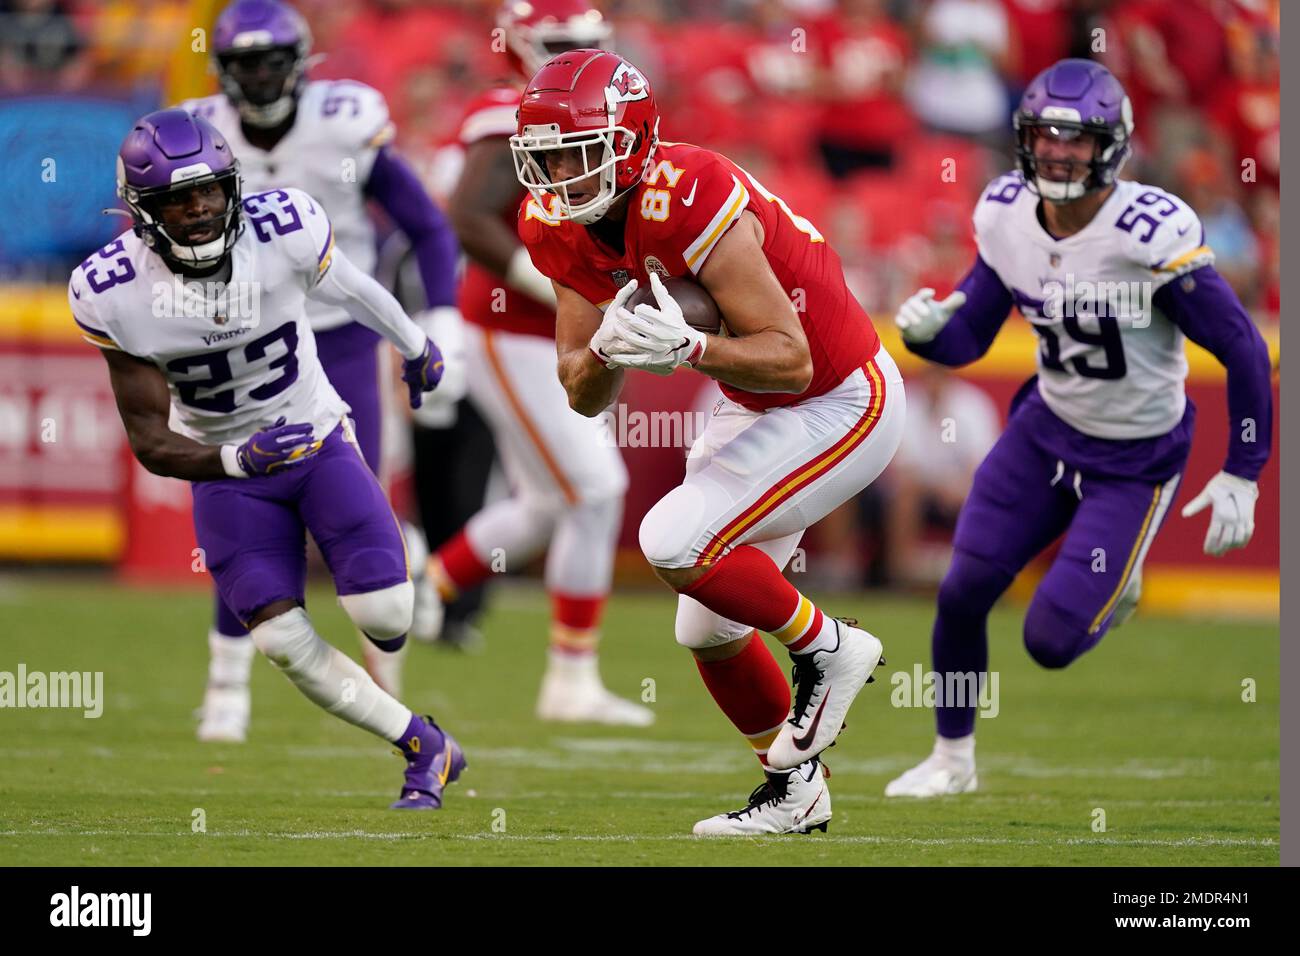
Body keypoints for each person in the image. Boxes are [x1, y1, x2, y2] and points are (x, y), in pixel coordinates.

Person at [514, 50, 905, 834]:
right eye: (546, 154)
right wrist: (610, 348)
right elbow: (582, 394)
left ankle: (830, 646)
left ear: (632, 141)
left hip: (839, 396)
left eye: (578, 150)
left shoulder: (687, 192)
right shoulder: (553, 226)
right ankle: (798, 794)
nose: (560, 173)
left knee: (672, 539)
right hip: (756, 403)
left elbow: (789, 354)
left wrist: (688, 350)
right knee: (706, 624)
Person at [885, 59, 1272, 798]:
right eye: (1045, 135)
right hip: (1044, 431)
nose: (1059, 151)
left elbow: (1243, 347)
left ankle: (1118, 586)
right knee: (963, 590)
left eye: (1077, 138)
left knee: (1050, 643)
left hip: (1136, 457)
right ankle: (951, 760)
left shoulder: (1146, 232)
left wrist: (1243, 470)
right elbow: (969, 337)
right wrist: (931, 334)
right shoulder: (1004, 214)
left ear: (1111, 147)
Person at [73, 108, 464, 809]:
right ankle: (422, 745)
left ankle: (404, 555)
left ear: (234, 186)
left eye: (209, 193)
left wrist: (416, 346)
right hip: (231, 474)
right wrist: (236, 463)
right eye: (176, 200)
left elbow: (352, 289)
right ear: (141, 211)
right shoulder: (114, 294)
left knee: (385, 614)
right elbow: (151, 443)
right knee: (281, 641)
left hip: (314, 438)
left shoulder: (283, 231)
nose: (197, 211)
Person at [181, 0, 462, 739]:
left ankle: (387, 678)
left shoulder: (344, 121)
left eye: (271, 60)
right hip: (242, 335)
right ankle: (227, 684)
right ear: (224, 71)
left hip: (338, 333)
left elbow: (427, 223)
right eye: (245, 63)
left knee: (353, 490)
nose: (261, 76)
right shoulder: (199, 133)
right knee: (241, 501)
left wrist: (437, 320)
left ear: (300, 63)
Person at [429, 0, 652, 725]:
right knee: (594, 492)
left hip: (555, 326)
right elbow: (467, 217)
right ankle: (570, 678)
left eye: (581, 45)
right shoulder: (507, 110)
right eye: (557, 43)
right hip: (516, 326)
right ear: (521, 42)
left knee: (547, 503)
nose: (568, 57)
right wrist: (547, 284)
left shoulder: (611, 106)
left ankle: (415, 597)